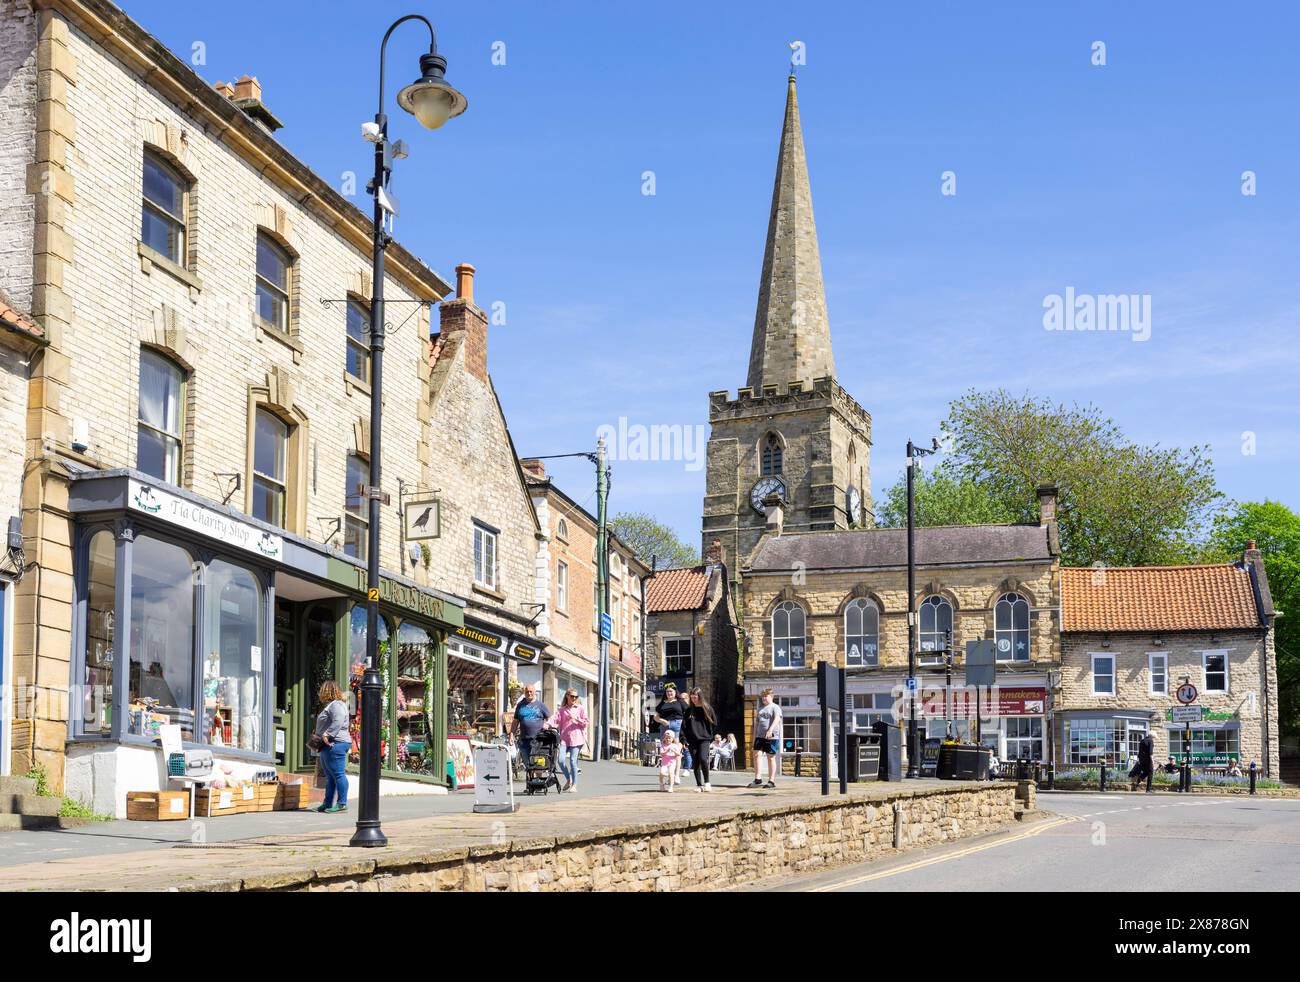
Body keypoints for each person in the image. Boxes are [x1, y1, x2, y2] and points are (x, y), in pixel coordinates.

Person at [314, 680, 351, 813]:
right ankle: (328, 803)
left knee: (338, 774)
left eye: (322, 690)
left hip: (336, 743)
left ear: (327, 691)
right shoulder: (332, 705)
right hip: (328, 744)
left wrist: (328, 734)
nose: (320, 692)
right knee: (330, 776)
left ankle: (342, 804)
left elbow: (339, 719)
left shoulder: (336, 705)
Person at [549, 687, 588, 792]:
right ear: (567, 696)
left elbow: (586, 723)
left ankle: (574, 785)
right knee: (561, 761)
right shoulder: (562, 710)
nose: (574, 698)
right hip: (564, 739)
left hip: (577, 739)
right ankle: (569, 779)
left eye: (576, 696)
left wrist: (577, 719)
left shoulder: (580, 709)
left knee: (572, 761)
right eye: (572, 696)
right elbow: (554, 719)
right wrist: (547, 724)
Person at [682, 687, 718, 792]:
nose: (694, 700)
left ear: (700, 696)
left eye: (695, 697)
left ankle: (707, 782)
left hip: (704, 739)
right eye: (692, 698)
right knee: (695, 762)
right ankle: (699, 785)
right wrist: (683, 739)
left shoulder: (707, 708)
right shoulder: (689, 710)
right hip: (692, 739)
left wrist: (710, 735)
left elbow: (714, 723)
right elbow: (684, 726)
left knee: (703, 758)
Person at [653, 683, 689, 784]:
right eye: (667, 691)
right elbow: (655, 717)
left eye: (671, 691)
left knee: (676, 751)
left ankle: (676, 776)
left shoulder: (680, 701)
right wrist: (661, 720)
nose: (669, 693)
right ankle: (669, 775)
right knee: (665, 751)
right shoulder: (662, 703)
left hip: (677, 725)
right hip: (665, 726)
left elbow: (688, 712)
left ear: (675, 692)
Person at [748, 688, 782, 789]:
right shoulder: (760, 709)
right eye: (762, 696)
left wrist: (770, 729)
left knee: (770, 757)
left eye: (765, 696)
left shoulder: (775, 707)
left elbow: (777, 719)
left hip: (772, 736)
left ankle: (771, 781)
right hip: (760, 736)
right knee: (756, 754)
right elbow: (756, 724)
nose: (763, 698)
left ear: (771, 697)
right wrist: (754, 738)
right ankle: (758, 779)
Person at [510, 684, 550, 767]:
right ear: (524, 693)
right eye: (527, 691)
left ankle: (538, 778)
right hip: (524, 740)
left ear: (534, 692)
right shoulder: (520, 705)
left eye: (531, 691)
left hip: (538, 740)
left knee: (538, 764)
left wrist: (547, 725)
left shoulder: (541, 705)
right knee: (527, 764)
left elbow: (550, 719)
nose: (529, 693)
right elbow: (515, 721)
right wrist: (511, 734)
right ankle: (531, 779)